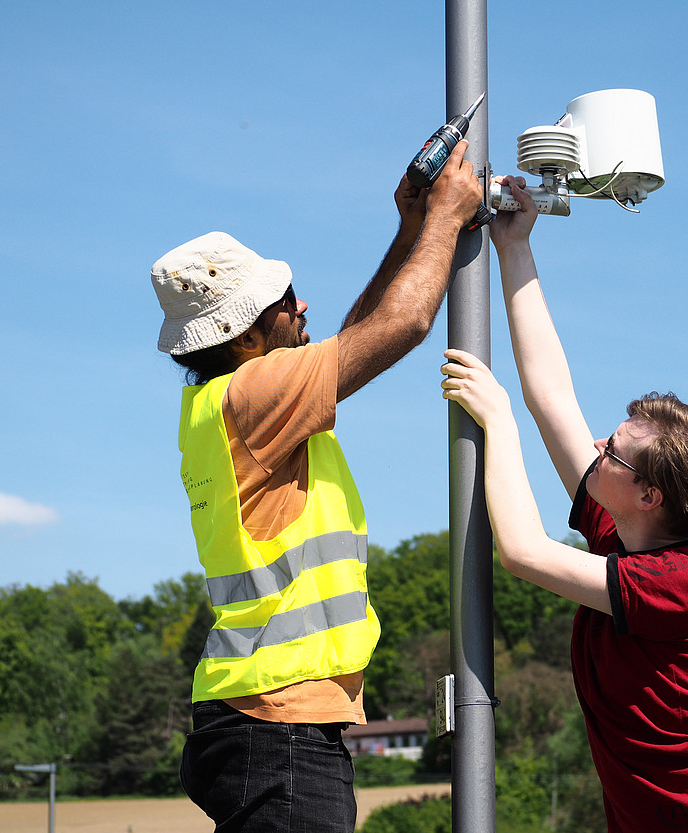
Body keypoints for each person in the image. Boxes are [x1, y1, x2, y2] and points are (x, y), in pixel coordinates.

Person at [440, 176, 688, 832]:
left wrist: (498, 424)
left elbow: (524, 552)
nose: (596, 443)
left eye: (613, 448)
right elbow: (552, 396)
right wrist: (514, 248)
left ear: (649, 493)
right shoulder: (625, 537)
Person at [151, 142, 483, 833]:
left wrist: (410, 230)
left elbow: (356, 336)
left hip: (262, 720)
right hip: (278, 725)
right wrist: (447, 219)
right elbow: (403, 326)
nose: (302, 305)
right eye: (283, 301)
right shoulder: (253, 396)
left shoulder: (230, 399)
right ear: (244, 333)